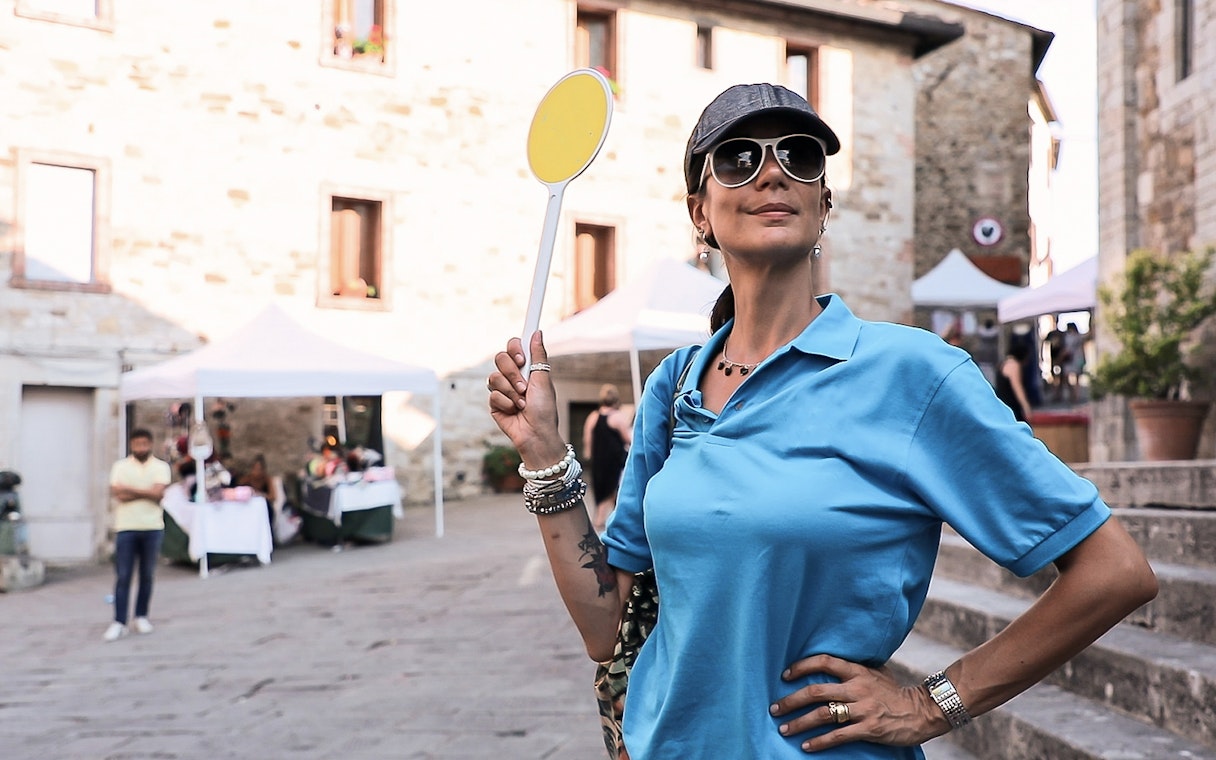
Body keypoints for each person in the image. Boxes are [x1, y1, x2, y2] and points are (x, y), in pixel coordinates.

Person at [486, 82, 1157, 759]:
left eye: (799, 155)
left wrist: (933, 703)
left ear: (822, 204)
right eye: (739, 158)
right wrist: (544, 455)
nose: (773, 170)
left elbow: (1114, 571)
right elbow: (607, 626)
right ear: (701, 212)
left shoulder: (911, 374)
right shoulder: (673, 386)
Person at [105, 428, 172, 642]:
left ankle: (141, 615)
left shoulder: (161, 467)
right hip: (126, 527)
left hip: (152, 526)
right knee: (123, 575)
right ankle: (119, 621)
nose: (141, 448)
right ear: (131, 445)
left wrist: (131, 490)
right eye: (137, 444)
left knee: (147, 574)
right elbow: (118, 494)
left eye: (144, 444)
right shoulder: (120, 467)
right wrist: (146, 492)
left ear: (150, 444)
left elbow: (158, 493)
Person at [582, 384, 633, 533]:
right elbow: (628, 439)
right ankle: (607, 520)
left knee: (601, 489)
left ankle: (600, 518)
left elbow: (587, 440)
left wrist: (589, 456)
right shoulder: (617, 417)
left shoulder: (593, 416)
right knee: (613, 489)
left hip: (598, 460)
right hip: (614, 460)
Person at [995, 341, 1032, 422]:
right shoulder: (1014, 365)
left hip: (1003, 405)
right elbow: (1017, 387)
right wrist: (1026, 406)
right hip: (1011, 406)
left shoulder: (1004, 363)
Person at [1061, 322, 1087, 403]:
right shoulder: (1074, 336)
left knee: (1074, 377)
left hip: (1074, 357)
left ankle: (1075, 394)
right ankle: (1074, 394)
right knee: (1072, 376)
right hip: (1074, 358)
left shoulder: (1071, 337)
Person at [1044, 324, 1066, 400]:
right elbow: (1045, 343)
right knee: (1055, 377)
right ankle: (1057, 394)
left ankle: (1058, 394)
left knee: (1059, 377)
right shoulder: (1052, 334)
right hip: (1053, 358)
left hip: (1059, 358)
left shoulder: (1060, 334)